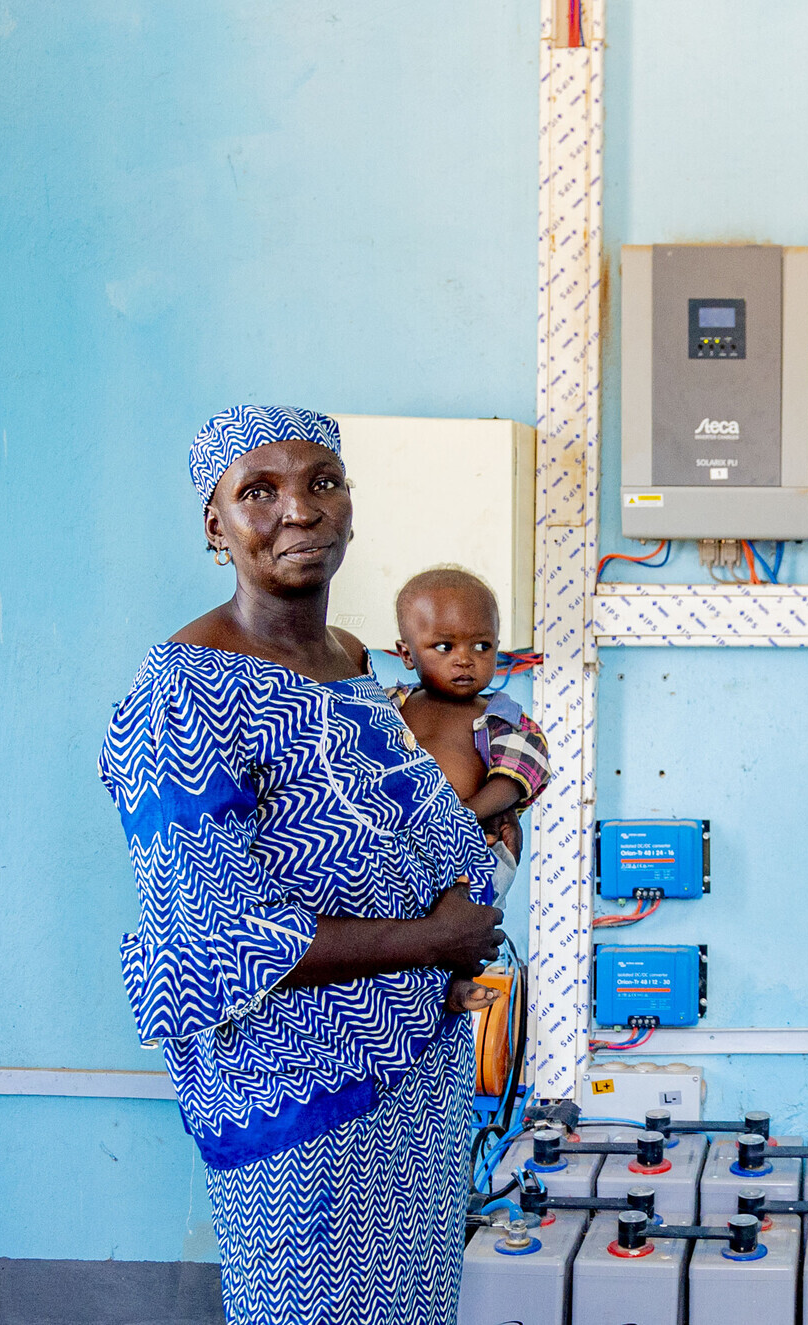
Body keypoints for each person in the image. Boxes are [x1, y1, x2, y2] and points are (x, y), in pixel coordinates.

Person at [100, 406, 506, 1325]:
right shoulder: (183, 693)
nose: (299, 510)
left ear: (352, 507)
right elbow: (213, 938)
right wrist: (434, 937)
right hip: (300, 1105)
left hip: (414, 1084)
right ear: (216, 526)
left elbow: (401, 836)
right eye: (260, 491)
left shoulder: (355, 664)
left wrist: (473, 890)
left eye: (322, 482)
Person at [386, 566, 550, 905]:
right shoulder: (387, 705)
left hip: (468, 849)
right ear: (406, 654)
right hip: (393, 846)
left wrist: (459, 816)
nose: (465, 659)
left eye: (481, 645)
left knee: (459, 922)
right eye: (445, 646)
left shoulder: (501, 717)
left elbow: (516, 778)